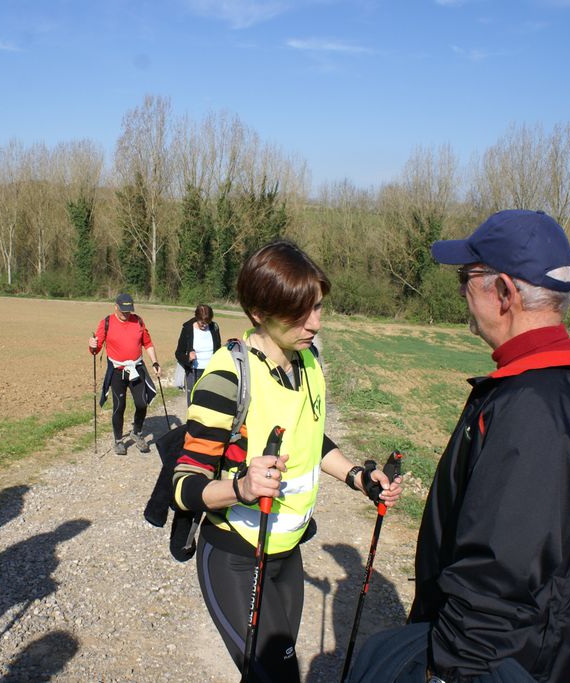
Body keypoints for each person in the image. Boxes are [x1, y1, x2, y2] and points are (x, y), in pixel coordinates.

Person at [171, 240, 403, 682]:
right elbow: (184, 486)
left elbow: (310, 436)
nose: (314, 323)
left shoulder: (308, 361)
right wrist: (241, 486)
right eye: (300, 312)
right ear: (260, 310)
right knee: (278, 678)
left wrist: (359, 476)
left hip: (287, 553)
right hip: (235, 554)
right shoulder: (228, 376)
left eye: (317, 307)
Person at [408, 210, 570, 682]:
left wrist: (448, 671)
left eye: (467, 277)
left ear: (503, 292)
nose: (462, 293)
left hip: (489, 664)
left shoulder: (533, 406)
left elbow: (497, 577)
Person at [88, 293, 161, 455]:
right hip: (117, 371)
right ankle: (118, 440)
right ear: (116, 307)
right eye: (123, 310)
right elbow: (96, 349)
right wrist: (92, 345)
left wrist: (155, 362)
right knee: (119, 406)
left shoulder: (138, 321)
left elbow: (147, 343)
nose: (126, 313)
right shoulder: (106, 322)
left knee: (142, 403)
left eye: (129, 310)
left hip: (137, 368)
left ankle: (137, 432)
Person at [173, 304, 221, 406]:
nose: (205, 325)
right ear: (196, 317)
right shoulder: (187, 329)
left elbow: (218, 348)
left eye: (207, 322)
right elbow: (178, 353)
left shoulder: (214, 327)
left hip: (211, 371)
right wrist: (188, 358)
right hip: (193, 371)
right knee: (193, 403)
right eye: (202, 322)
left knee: (210, 403)